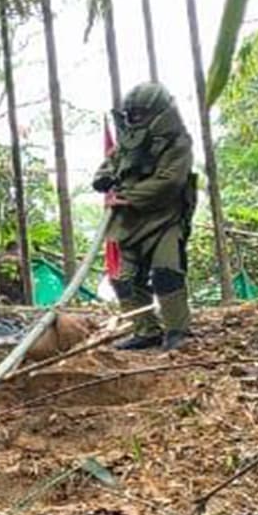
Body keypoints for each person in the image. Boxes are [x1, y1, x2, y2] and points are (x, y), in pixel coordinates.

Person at [93, 82, 198, 351]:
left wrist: (129, 195)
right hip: (129, 222)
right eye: (132, 115)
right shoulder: (125, 145)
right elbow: (107, 166)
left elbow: (170, 180)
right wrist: (104, 179)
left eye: (142, 114)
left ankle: (177, 330)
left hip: (164, 220)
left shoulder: (178, 142)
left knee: (166, 272)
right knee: (123, 279)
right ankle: (146, 330)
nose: (136, 120)